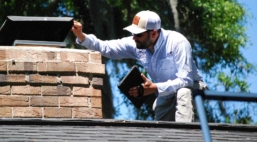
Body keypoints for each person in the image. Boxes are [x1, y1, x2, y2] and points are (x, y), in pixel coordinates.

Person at [71, 10, 207, 122]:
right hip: (165, 93)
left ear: (153, 33)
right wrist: (81, 36)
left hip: (192, 89)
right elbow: (106, 48)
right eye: (133, 33)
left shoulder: (178, 42)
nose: (134, 38)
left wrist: (155, 87)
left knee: (183, 92)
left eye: (138, 34)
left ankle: (185, 136)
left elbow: (186, 81)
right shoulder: (137, 44)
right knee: (164, 130)